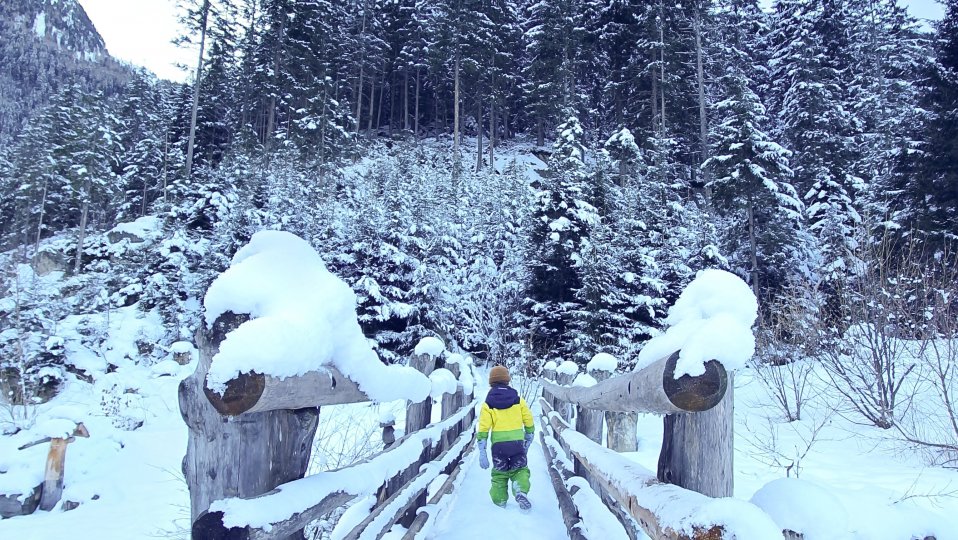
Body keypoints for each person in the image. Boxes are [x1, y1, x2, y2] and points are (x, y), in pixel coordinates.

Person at [476, 365, 534, 510]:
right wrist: (529, 434)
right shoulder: (518, 399)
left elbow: (483, 427)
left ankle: (499, 500)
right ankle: (520, 490)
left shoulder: (488, 403)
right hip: (517, 444)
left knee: (499, 474)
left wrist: (482, 451)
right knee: (520, 469)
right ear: (507, 381)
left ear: (491, 382)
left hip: (498, 447)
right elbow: (528, 418)